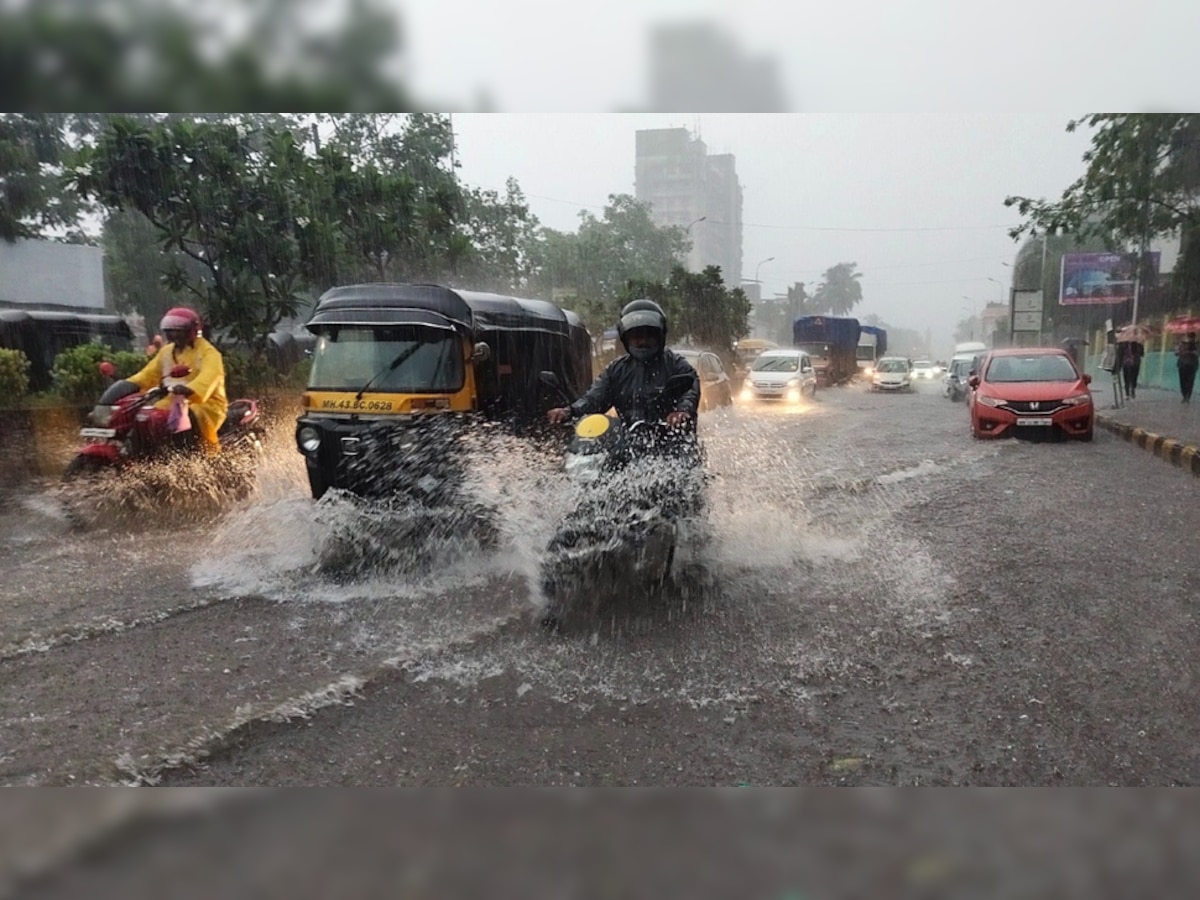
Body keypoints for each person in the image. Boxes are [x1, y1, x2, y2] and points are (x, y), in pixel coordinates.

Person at [547, 299, 700, 429]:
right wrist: (570, 411)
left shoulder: (677, 365)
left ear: (660, 336)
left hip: (674, 446)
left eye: (649, 336)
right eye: (636, 336)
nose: (642, 342)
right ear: (625, 338)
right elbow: (594, 399)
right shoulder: (616, 370)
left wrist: (682, 412)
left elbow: (690, 391)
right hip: (627, 445)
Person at [127, 307, 228, 453]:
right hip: (173, 402)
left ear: (191, 331)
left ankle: (190, 459)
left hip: (205, 405)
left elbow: (210, 376)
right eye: (170, 331)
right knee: (145, 418)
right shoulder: (166, 351)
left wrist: (190, 389)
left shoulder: (209, 353)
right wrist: (126, 385)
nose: (173, 335)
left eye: (178, 330)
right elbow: (147, 375)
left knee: (189, 418)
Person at [1176, 331, 1199, 403]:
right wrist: (1180, 351)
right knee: (1183, 380)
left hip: (1192, 364)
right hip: (1182, 364)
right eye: (1189, 337)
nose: (1190, 338)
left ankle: (1187, 396)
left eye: (1191, 337)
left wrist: (1191, 352)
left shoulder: (1197, 345)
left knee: (1190, 381)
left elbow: (1198, 353)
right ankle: (1184, 395)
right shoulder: (1182, 344)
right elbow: (1176, 353)